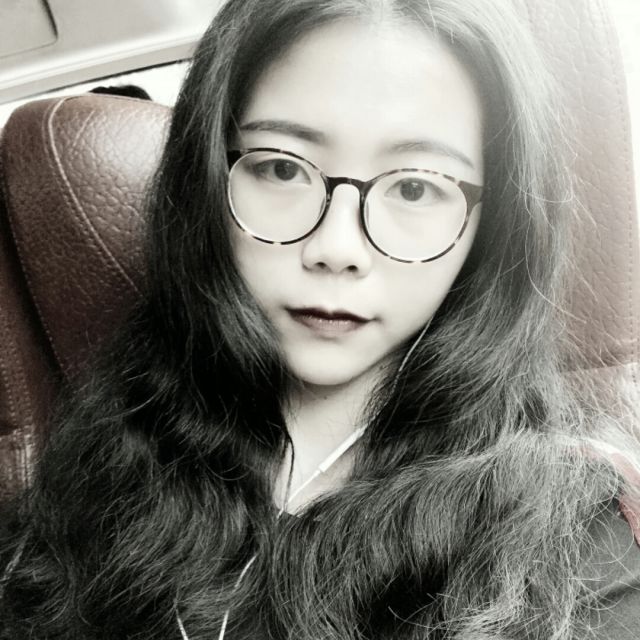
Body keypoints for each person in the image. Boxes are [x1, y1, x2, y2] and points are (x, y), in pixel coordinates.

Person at [1, 0, 639, 638]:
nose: (336, 247)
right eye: (281, 168)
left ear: (490, 227)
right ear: (206, 183)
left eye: (415, 187)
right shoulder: (102, 459)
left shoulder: (579, 532)